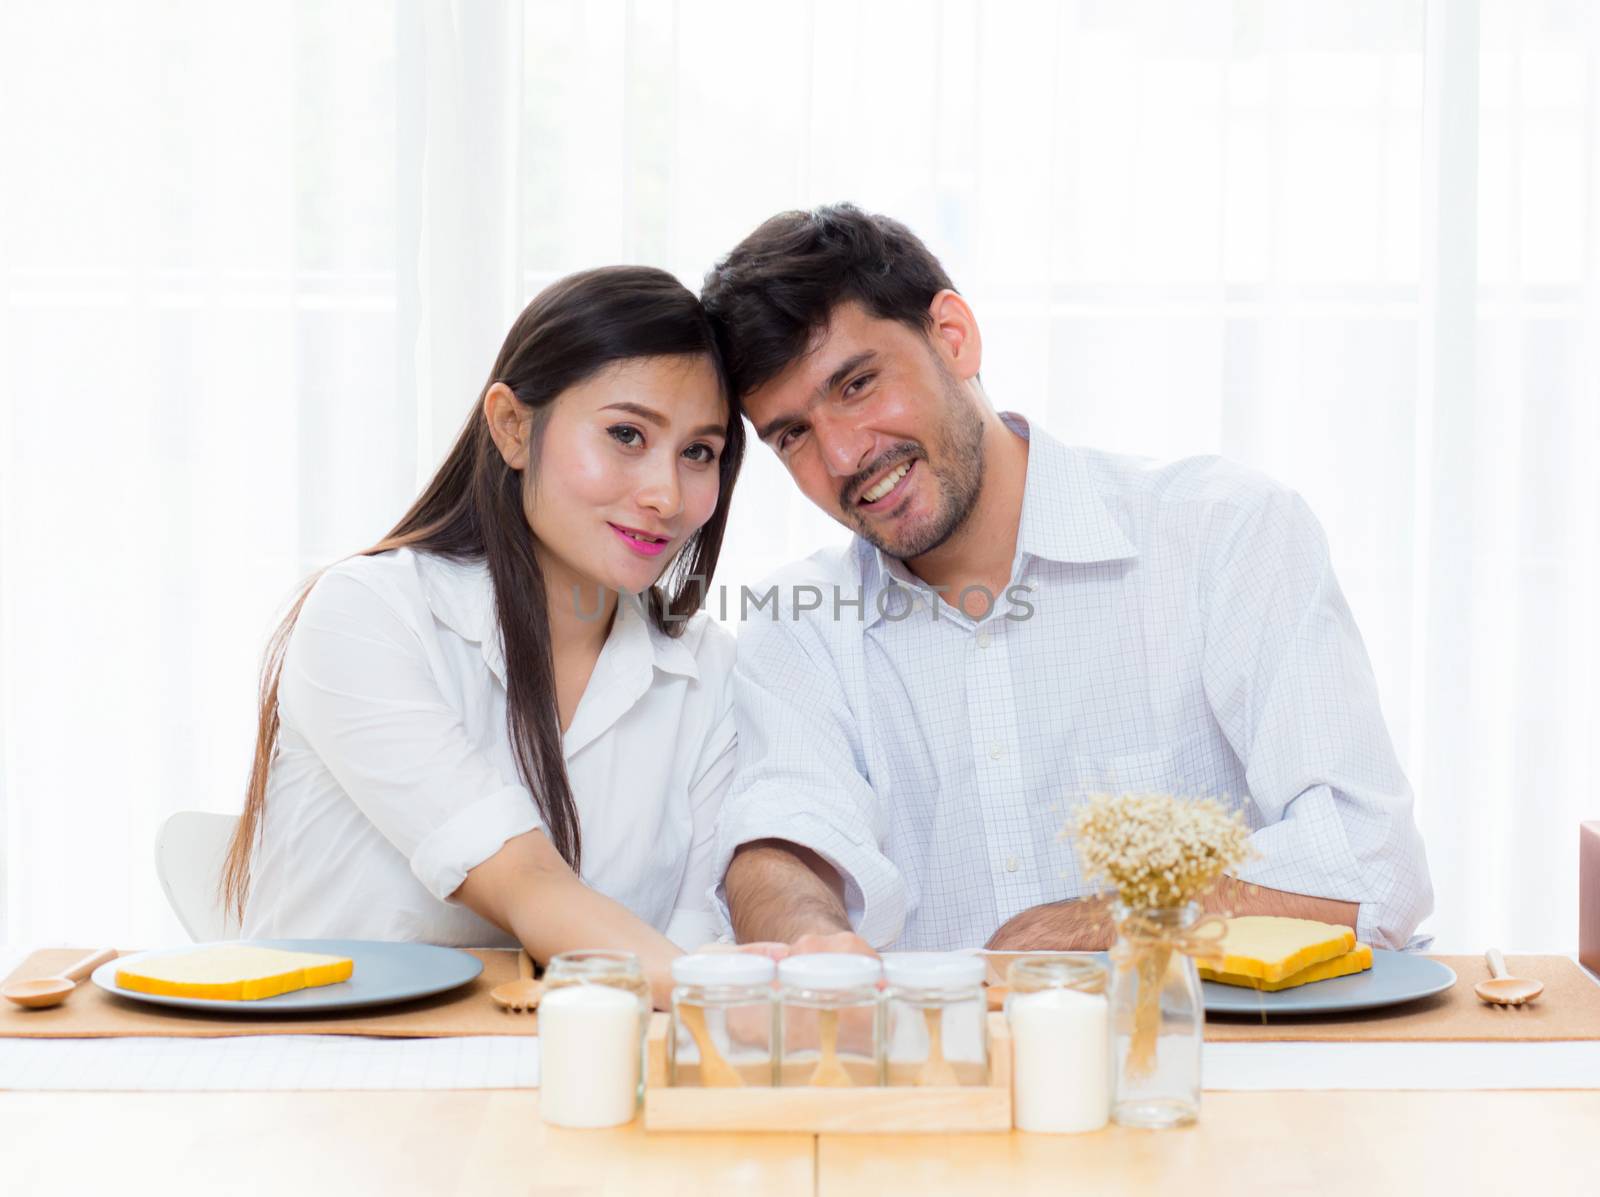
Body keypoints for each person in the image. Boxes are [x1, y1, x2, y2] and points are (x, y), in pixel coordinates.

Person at [700, 204, 1433, 955]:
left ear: (952, 337)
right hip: (949, 1070)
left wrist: (1106, 924)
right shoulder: (799, 625)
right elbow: (779, 840)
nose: (845, 454)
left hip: (1204, 1061)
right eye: (792, 434)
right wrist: (810, 940)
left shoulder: (1224, 535)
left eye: (857, 384)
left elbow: (1371, 863)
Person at [223, 266, 752, 1007]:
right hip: (330, 1082)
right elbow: (525, 883)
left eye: (700, 452)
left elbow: (693, 941)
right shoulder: (371, 614)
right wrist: (786, 1000)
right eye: (626, 434)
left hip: (570, 1086)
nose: (666, 493)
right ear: (512, 426)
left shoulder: (706, 667)